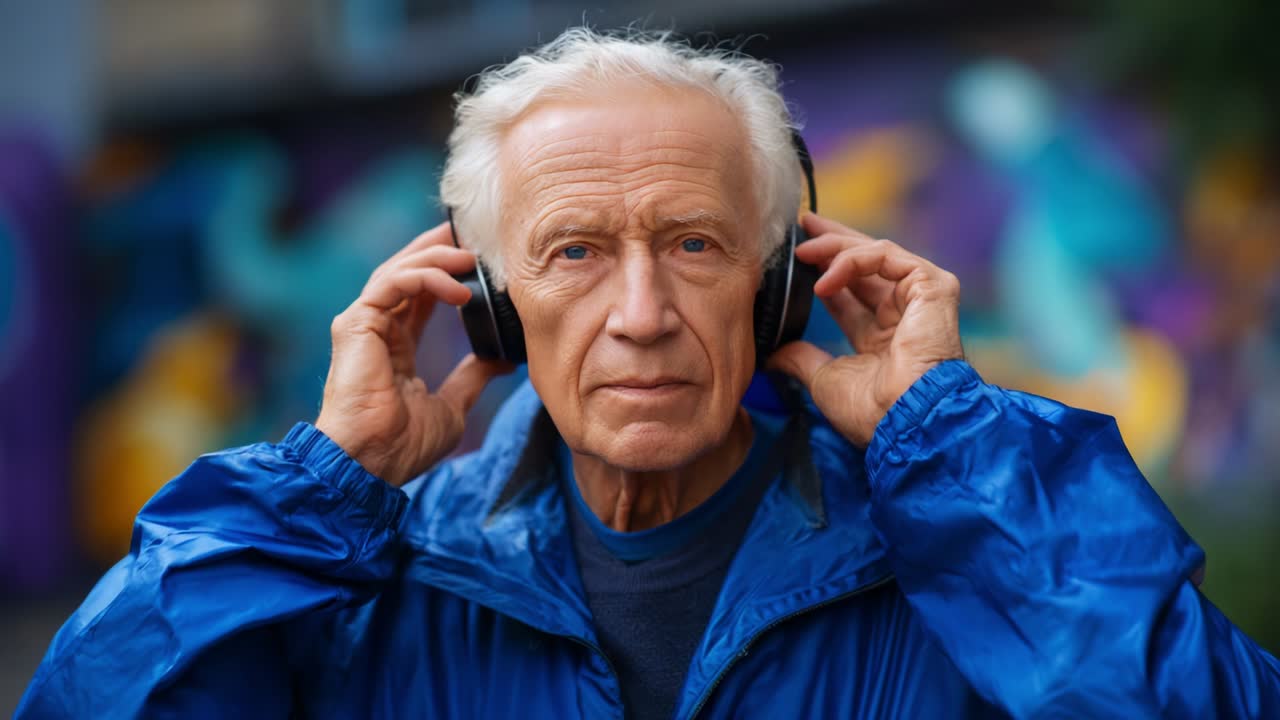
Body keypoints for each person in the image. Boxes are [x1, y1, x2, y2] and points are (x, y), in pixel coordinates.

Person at [19, 28, 1280, 720]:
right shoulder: (363, 586)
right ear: (493, 307)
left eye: (692, 244)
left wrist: (953, 445)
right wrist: (317, 486)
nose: (640, 316)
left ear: (779, 285)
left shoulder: (954, 546)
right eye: (571, 253)